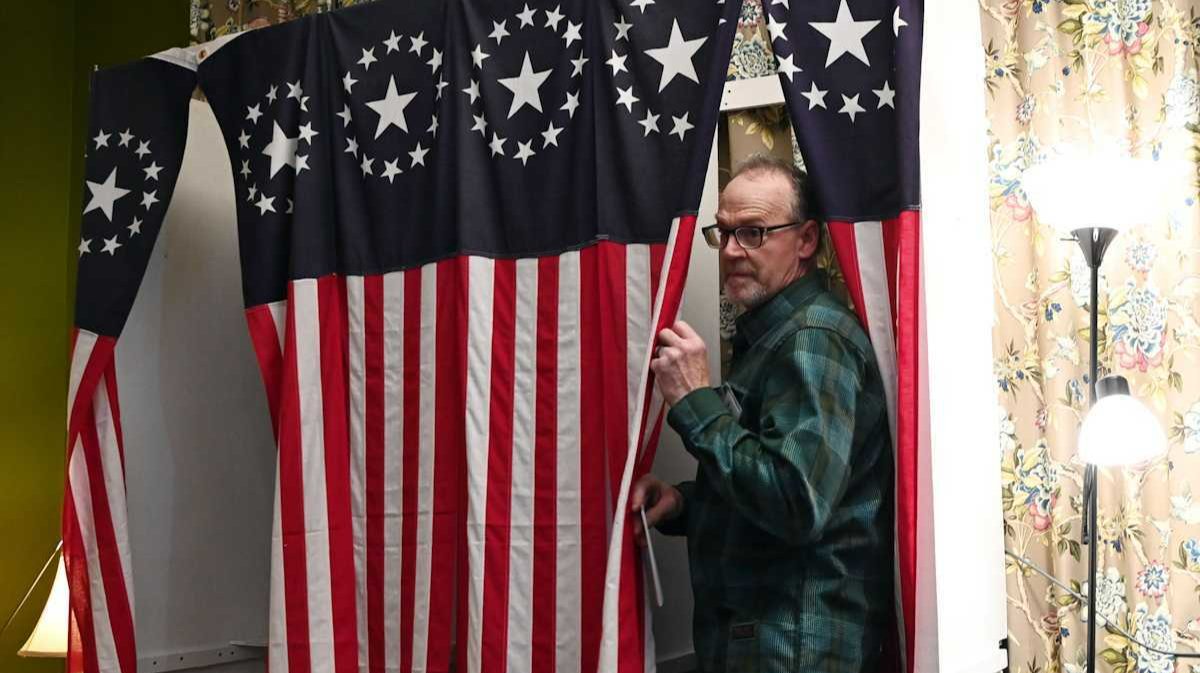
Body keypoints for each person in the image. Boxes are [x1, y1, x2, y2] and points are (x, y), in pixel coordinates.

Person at [632, 154, 894, 673]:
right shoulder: (777, 336)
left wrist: (695, 401)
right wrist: (685, 504)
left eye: (753, 232)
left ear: (806, 240)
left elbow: (797, 503)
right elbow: (775, 486)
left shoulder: (813, 336)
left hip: (796, 649)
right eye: (725, 233)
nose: (732, 251)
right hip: (773, 643)